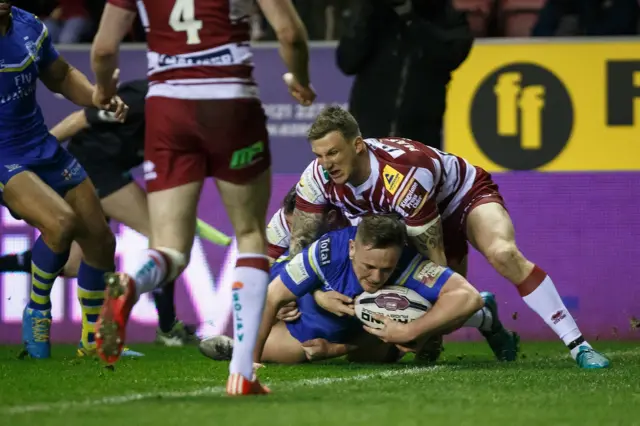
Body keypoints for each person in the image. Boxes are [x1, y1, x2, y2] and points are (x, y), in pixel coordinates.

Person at [90, 0, 315, 395]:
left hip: (167, 108)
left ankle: (129, 282)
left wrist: (105, 90)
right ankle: (242, 373)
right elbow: (290, 32)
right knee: (249, 235)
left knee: (170, 249)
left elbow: (105, 49)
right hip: (229, 101)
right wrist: (300, 76)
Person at [288, 106, 610, 369]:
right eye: (319, 155)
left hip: (461, 197)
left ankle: (578, 346)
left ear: (357, 145)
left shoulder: (401, 177)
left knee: (501, 255)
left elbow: (435, 264)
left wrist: (426, 330)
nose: (326, 164)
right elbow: (300, 246)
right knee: (414, 318)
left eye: (333, 153)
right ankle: (487, 319)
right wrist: (309, 294)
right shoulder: (317, 178)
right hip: (405, 222)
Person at [0, 79, 232, 347]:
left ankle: (5, 264)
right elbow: (79, 120)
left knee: (73, 263)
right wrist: (35, 162)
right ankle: (168, 328)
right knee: (163, 238)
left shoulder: (190, 119)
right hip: (92, 167)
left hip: (112, 170)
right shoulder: (146, 97)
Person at [201, 215, 518, 365]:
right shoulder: (324, 253)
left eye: (386, 268)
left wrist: (414, 330)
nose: (378, 276)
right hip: (323, 320)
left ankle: (484, 317)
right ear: (353, 248)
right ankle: (240, 347)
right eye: (369, 267)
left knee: (436, 316)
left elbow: (467, 295)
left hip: (374, 329)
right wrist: (249, 362)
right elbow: (271, 296)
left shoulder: (408, 263)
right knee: (285, 352)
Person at [0, 2, 127, 359]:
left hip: (41, 146)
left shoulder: (28, 26)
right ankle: (37, 313)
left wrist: (98, 98)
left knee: (101, 242)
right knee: (60, 223)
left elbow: (59, 74)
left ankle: (93, 340)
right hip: (3, 156)